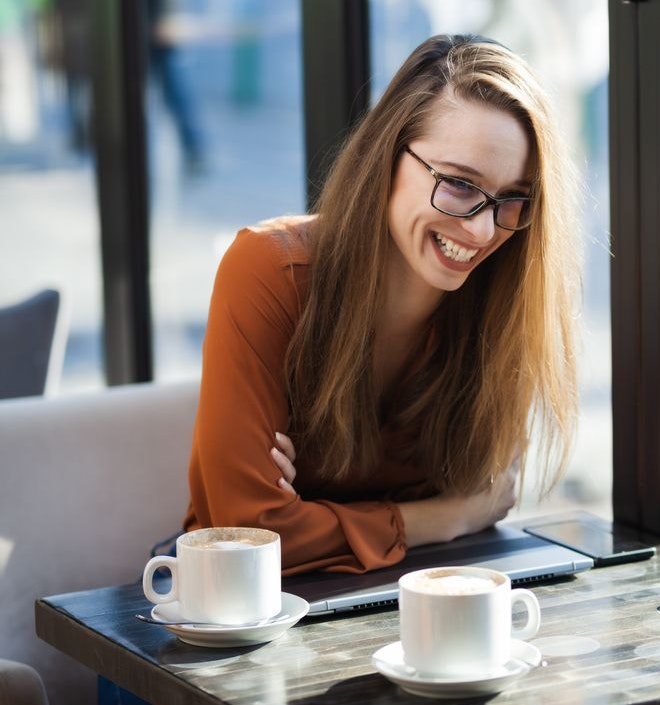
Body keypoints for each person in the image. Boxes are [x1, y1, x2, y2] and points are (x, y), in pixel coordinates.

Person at [182, 34, 581, 575]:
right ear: (386, 157)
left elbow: (491, 493)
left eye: (513, 199)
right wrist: (442, 518)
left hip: (424, 595)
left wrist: (310, 516)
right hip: (235, 608)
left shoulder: (500, 304)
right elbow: (248, 536)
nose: (484, 230)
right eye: (459, 184)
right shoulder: (270, 271)